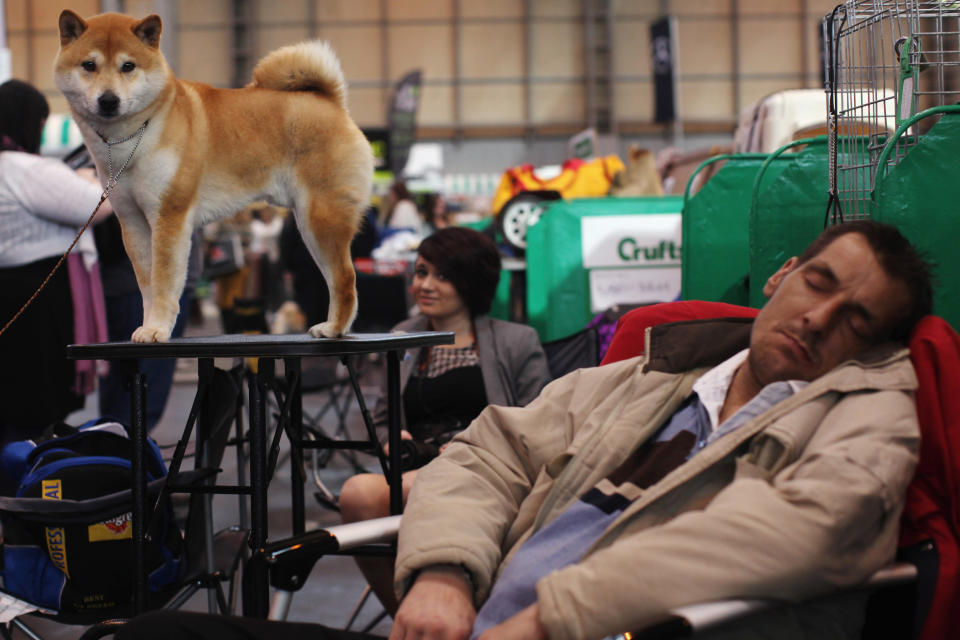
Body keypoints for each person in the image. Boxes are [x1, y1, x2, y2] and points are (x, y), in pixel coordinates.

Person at [114, 220, 933, 640]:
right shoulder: (642, 374)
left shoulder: (868, 417)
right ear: (783, 274)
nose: (821, 319)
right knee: (155, 633)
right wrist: (442, 573)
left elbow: (804, 530)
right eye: (817, 284)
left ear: (880, 349)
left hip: (584, 627)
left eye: (856, 320)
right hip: (472, 613)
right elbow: (489, 450)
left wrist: (552, 617)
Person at [339, 225, 551, 614]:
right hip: (415, 468)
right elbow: (384, 418)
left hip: (485, 467)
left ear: (471, 283)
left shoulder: (516, 341)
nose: (426, 285)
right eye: (421, 272)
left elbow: (538, 425)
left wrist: (479, 444)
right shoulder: (401, 337)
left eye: (443, 275)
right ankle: (412, 617)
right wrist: (392, 439)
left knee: (361, 492)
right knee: (357, 494)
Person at [0, 79, 113, 450]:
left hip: (16, 295)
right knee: (33, 407)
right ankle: (27, 492)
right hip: (35, 301)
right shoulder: (23, 167)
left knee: (14, 407)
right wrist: (85, 177)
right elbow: (96, 206)